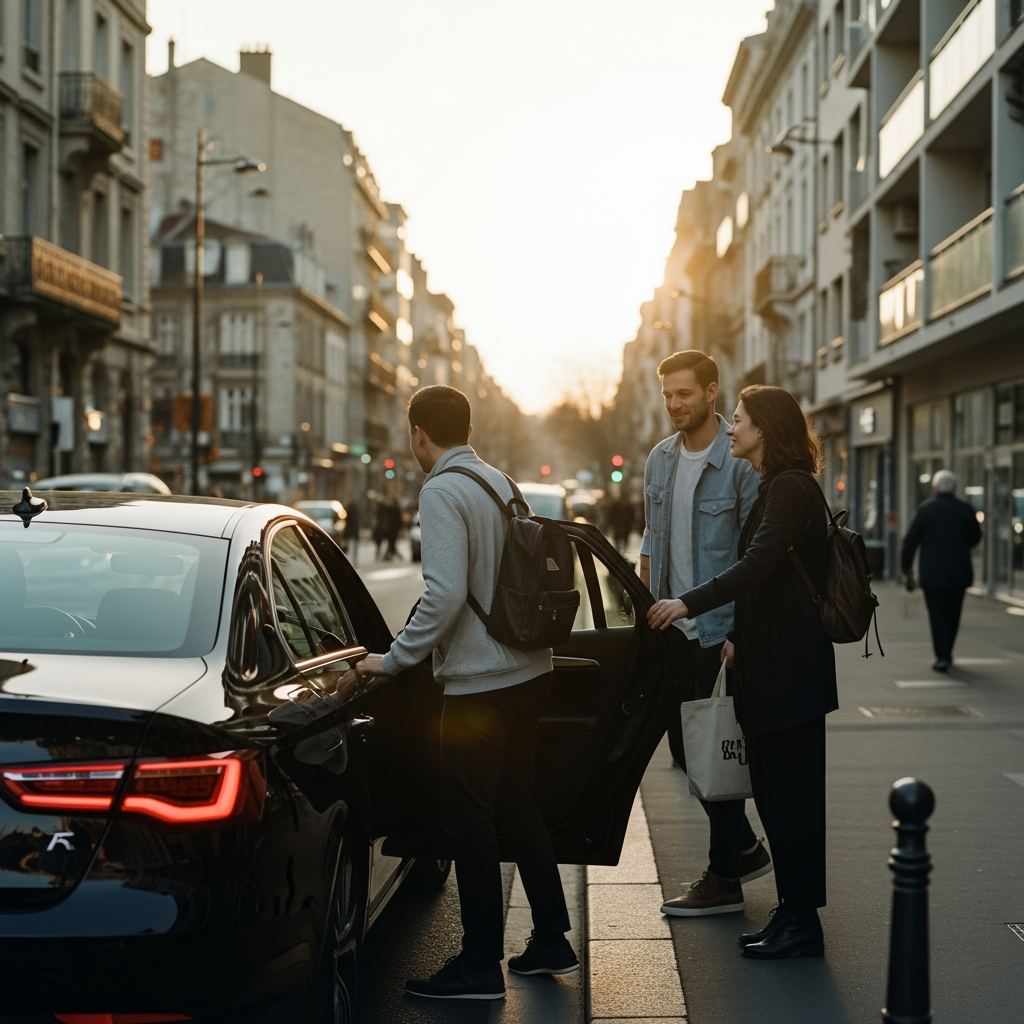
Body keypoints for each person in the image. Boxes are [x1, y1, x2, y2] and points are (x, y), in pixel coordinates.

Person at [345, 385, 578, 1001]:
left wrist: (393, 660)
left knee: (468, 823)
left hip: (482, 684)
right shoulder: (500, 481)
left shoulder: (442, 489)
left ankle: (478, 969)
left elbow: (444, 594)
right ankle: (551, 938)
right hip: (531, 669)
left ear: (419, 434)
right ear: (467, 429)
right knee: (518, 807)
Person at [648, 385, 838, 960]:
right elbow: (765, 580)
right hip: (771, 663)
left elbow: (754, 567)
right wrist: (737, 635)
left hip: (789, 670)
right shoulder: (777, 487)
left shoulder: (790, 489)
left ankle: (802, 922)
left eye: (739, 420)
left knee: (792, 802)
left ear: (766, 430)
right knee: (778, 800)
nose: (731, 428)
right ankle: (791, 912)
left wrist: (687, 603)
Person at [639, 350, 768, 918]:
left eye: (684, 393)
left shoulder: (737, 461)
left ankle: (724, 877)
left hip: (719, 631)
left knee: (712, 748)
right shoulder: (660, 458)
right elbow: (652, 538)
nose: (674, 404)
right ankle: (743, 847)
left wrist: (741, 630)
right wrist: (644, 607)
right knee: (686, 751)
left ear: (712, 392)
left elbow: (754, 557)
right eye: (667, 394)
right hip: (673, 630)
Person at [900, 469, 982, 672]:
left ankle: (942, 656)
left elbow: (910, 541)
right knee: (953, 614)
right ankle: (947, 652)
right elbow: (975, 538)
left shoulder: (926, 510)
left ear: (935, 488)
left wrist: (906, 567)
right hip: (959, 572)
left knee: (937, 615)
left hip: (933, 573)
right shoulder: (966, 509)